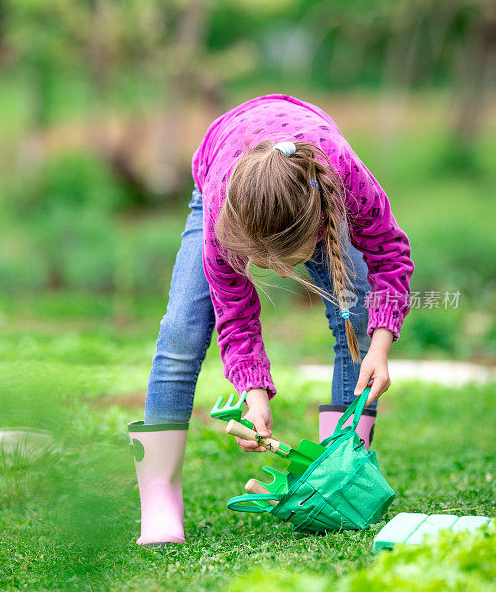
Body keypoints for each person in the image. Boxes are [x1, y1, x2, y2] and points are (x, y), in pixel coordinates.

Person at [128, 94, 414, 545]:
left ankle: (337, 472)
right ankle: (160, 493)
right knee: (182, 330)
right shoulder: (226, 218)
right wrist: (253, 393)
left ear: (317, 227)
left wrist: (379, 349)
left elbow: (390, 253)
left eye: (281, 262)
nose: (275, 273)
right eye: (259, 261)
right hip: (221, 177)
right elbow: (236, 315)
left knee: (357, 317)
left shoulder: (343, 176)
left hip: (307, 187)